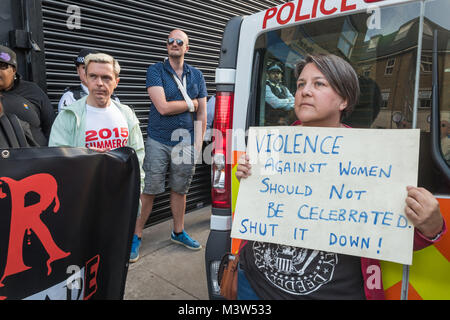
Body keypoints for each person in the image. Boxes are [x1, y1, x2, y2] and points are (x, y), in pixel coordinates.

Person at [235, 54, 446, 300]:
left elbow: (389, 231)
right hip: (253, 284)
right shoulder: (272, 144)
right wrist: (249, 178)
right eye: (301, 84)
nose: (305, 91)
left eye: (319, 84)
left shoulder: (371, 156)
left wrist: (430, 227)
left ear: (344, 100)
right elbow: (266, 205)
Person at [130, 29, 207, 262]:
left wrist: (197, 144)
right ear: (167, 46)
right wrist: (190, 103)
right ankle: (136, 235)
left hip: (185, 142)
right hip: (158, 140)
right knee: (150, 189)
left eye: (179, 41)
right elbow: (162, 107)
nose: (174, 44)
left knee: (180, 189)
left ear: (187, 48)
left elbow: (202, 113)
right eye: (171, 41)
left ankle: (179, 231)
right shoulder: (155, 70)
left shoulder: (197, 75)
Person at [49, 52, 144, 185]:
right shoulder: (68, 116)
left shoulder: (127, 114)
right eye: (93, 76)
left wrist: (137, 188)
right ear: (86, 79)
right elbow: (56, 159)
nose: (99, 83)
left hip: (122, 190)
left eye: (106, 78)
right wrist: (86, 156)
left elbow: (138, 155)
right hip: (84, 193)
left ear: (116, 82)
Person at [0, 45, 55, 146]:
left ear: (14, 70)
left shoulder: (32, 91)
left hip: (36, 158)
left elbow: (52, 127)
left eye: (2, 65)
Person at [264, 60, 296, 126]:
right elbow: (275, 103)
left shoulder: (284, 88)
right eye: (273, 73)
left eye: (278, 73)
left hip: (284, 121)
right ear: (268, 75)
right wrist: (288, 100)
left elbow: (294, 102)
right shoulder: (266, 87)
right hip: (270, 122)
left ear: (281, 75)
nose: (276, 75)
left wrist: (284, 104)